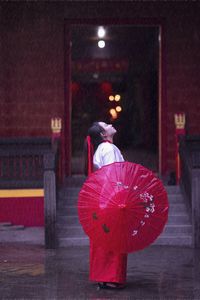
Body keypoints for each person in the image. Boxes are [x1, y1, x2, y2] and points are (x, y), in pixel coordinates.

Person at [84, 121, 127, 290]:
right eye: (106, 124)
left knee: (106, 240)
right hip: (112, 199)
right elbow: (112, 175)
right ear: (103, 134)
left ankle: (104, 276)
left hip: (105, 199)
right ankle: (111, 277)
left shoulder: (102, 149)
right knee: (114, 240)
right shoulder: (108, 149)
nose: (110, 124)